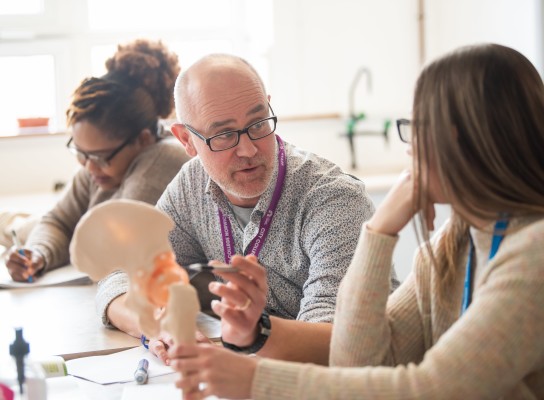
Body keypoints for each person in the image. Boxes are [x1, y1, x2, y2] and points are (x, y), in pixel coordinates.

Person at [168, 43, 544, 399]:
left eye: (419, 129)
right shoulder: (454, 240)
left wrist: (255, 381)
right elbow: (355, 359)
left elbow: (434, 389)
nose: (410, 147)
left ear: (469, 141)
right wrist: (379, 231)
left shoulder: (534, 253)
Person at [96, 53, 399, 361]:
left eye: (257, 123)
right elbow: (124, 270)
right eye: (224, 134)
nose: (248, 148)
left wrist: (253, 337)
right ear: (187, 140)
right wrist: (154, 324)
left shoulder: (334, 200)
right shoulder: (192, 185)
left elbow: (338, 341)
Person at [5, 39, 190, 282]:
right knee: (20, 226)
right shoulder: (98, 169)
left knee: (18, 226)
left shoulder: (163, 160)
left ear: (143, 139)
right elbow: (59, 221)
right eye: (81, 153)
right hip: (45, 229)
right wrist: (37, 253)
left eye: (101, 157)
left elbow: (115, 249)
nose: (89, 167)